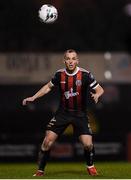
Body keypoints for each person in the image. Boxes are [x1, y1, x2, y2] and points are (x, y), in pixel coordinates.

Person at [22, 49, 104, 176]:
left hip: (80, 114)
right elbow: (47, 87)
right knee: (47, 142)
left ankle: (90, 166)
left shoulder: (85, 75)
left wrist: (97, 95)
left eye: (73, 58)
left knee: (88, 145)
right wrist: (33, 97)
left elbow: (100, 89)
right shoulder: (59, 75)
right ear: (64, 61)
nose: (71, 61)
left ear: (77, 60)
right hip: (63, 113)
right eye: (68, 59)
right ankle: (40, 171)